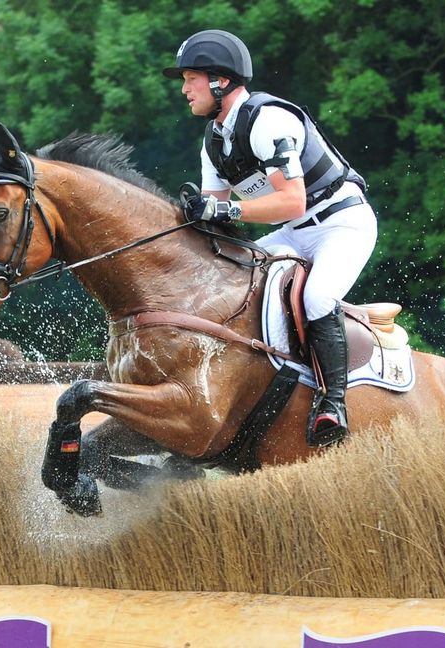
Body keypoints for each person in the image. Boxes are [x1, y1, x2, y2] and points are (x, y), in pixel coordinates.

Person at [164, 30, 377, 447]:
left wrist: (223, 210)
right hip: (294, 235)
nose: (185, 88)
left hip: (342, 225)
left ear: (219, 81)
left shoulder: (268, 120)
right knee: (240, 285)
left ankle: (333, 404)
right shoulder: (214, 142)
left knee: (316, 299)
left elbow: (292, 201)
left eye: (190, 78)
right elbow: (214, 215)